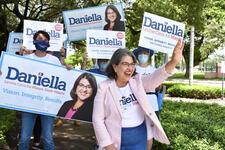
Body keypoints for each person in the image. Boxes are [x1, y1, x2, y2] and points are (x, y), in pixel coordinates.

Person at [92, 40, 184, 150]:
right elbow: (97, 119)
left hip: (139, 138)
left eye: (132, 64)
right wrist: (108, 145)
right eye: (125, 64)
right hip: (115, 141)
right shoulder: (104, 87)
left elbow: (155, 77)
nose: (130, 68)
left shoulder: (137, 81)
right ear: (115, 67)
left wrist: (173, 62)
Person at [19, 30, 62, 150]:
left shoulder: (54, 60)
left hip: (47, 105)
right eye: (39, 39)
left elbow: (62, 79)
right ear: (34, 41)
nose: (42, 42)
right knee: (24, 138)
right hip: (28, 104)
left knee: (48, 139)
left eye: (45, 40)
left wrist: (68, 69)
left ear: (48, 42)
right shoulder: (26, 58)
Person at [133, 47, 162, 117]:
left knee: (153, 124)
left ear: (149, 55)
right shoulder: (133, 69)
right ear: (137, 55)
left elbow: (159, 86)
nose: (143, 55)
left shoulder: (154, 70)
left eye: (145, 53)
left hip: (152, 101)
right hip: (137, 101)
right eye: (140, 53)